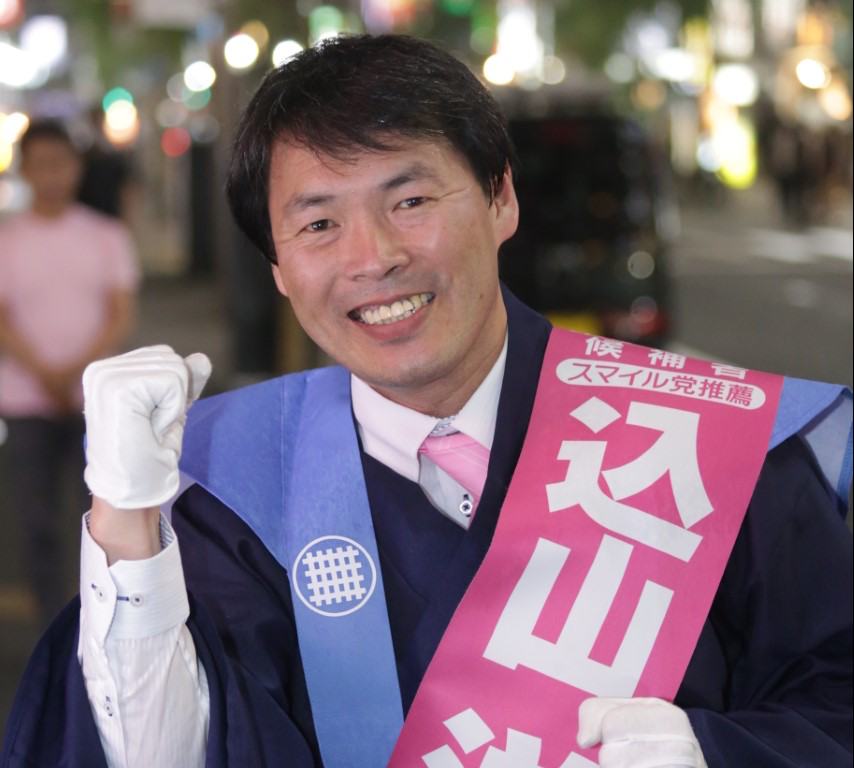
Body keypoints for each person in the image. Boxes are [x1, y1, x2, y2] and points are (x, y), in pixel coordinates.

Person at [2, 36, 851, 768]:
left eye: (410, 201)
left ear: (500, 199)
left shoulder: (710, 445)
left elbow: (835, 691)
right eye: (319, 225)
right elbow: (160, 751)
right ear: (278, 270)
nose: (373, 259)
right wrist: (124, 523)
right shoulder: (230, 489)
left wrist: (717, 753)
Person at [0, 119, 139, 628]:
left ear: (76, 168)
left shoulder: (105, 235)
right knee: (36, 519)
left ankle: (102, 620)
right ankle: (48, 623)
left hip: (95, 404)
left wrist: (75, 371)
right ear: (26, 170)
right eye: (41, 165)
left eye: (61, 163)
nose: (52, 175)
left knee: (106, 519)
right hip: (23, 400)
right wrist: (44, 372)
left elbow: (120, 313)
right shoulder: (7, 239)